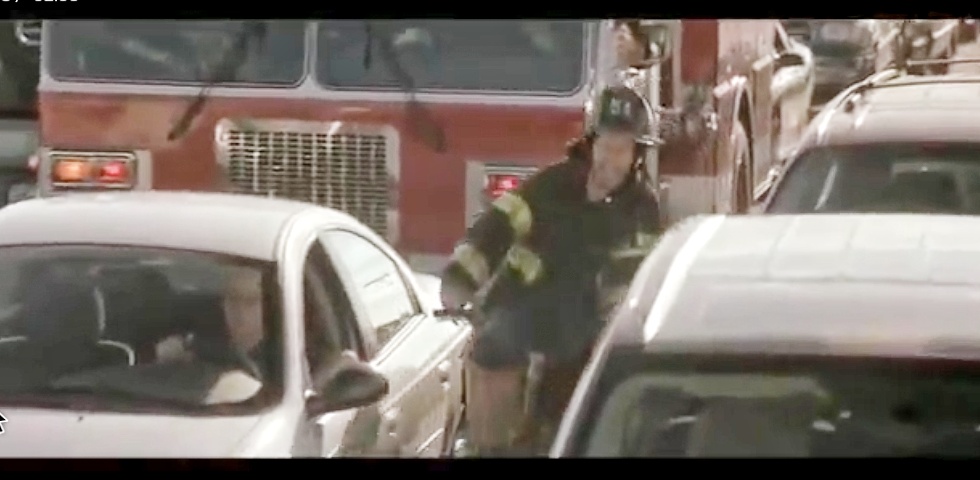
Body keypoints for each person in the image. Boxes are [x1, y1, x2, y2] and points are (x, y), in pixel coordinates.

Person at [440, 85, 664, 456]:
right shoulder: (550, 185)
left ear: (637, 156)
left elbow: (636, 277)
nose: (611, 159)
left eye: (623, 149)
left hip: (589, 331)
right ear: (590, 144)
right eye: (606, 146)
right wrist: (461, 279)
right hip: (525, 313)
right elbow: (498, 225)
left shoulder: (642, 209)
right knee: (493, 346)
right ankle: (490, 448)